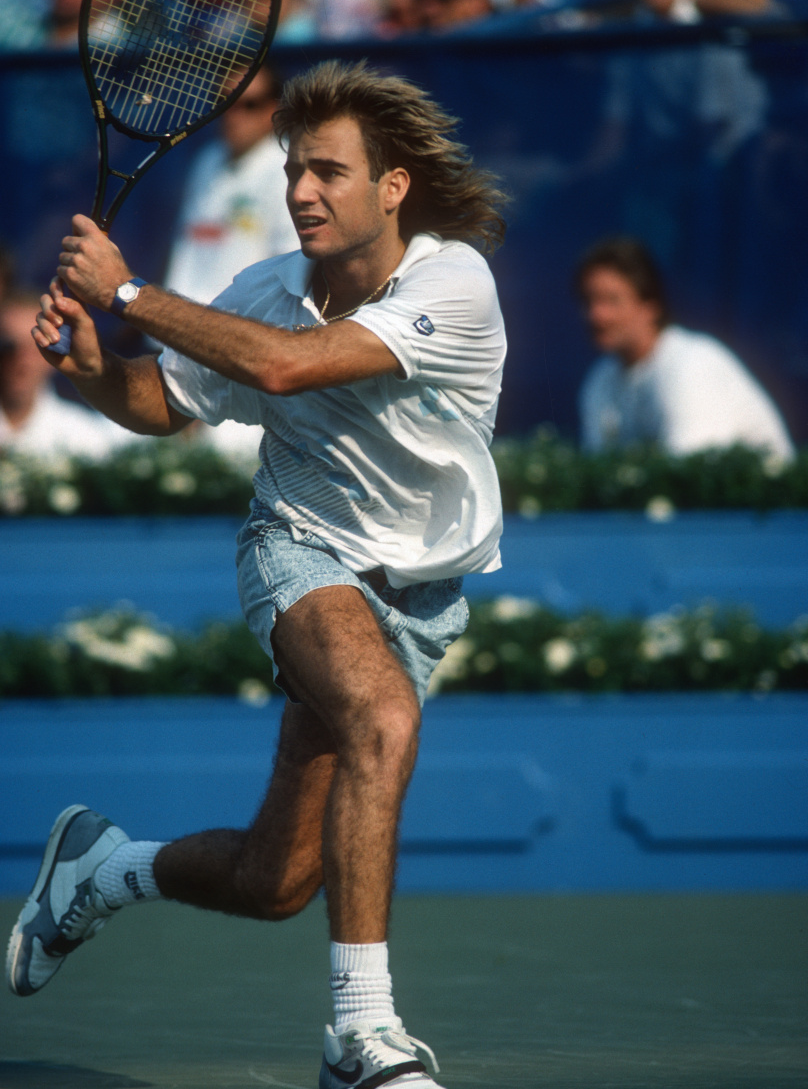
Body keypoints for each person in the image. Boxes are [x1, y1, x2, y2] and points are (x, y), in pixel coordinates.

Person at [7, 60, 509, 1089]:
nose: (300, 191)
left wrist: (131, 292)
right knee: (383, 722)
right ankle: (361, 1037)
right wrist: (95, 367)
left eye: (327, 170)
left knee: (275, 878)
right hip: (299, 548)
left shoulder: (452, 283)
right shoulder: (264, 288)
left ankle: (105, 870)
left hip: (419, 597)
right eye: (292, 170)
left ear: (393, 186)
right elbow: (164, 405)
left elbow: (283, 366)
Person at [574, 236, 795, 459]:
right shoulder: (600, 380)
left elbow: (690, 476)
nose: (596, 315)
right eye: (589, 301)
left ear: (650, 307)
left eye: (612, 300)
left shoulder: (691, 366)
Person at [163, 63, 299, 306]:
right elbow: (185, 254)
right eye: (224, 101)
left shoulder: (290, 168)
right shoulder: (206, 160)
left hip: (240, 328)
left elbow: (289, 265)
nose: (233, 114)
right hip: (178, 325)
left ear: (273, 109)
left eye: (248, 104)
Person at [0, 290, 132, 459]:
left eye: (35, 348)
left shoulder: (83, 438)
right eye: (8, 347)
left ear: (54, 356)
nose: (22, 362)